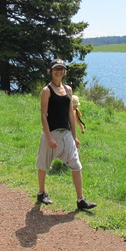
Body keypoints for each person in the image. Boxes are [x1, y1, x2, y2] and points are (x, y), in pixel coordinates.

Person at [36, 59, 97, 210]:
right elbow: (43, 115)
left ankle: (80, 200)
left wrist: (74, 136)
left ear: (64, 72)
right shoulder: (47, 91)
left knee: (76, 165)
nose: (59, 71)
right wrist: (49, 137)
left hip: (66, 134)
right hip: (51, 133)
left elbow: (71, 114)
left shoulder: (68, 89)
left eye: (61, 69)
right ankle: (41, 193)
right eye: (56, 69)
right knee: (44, 164)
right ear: (51, 71)